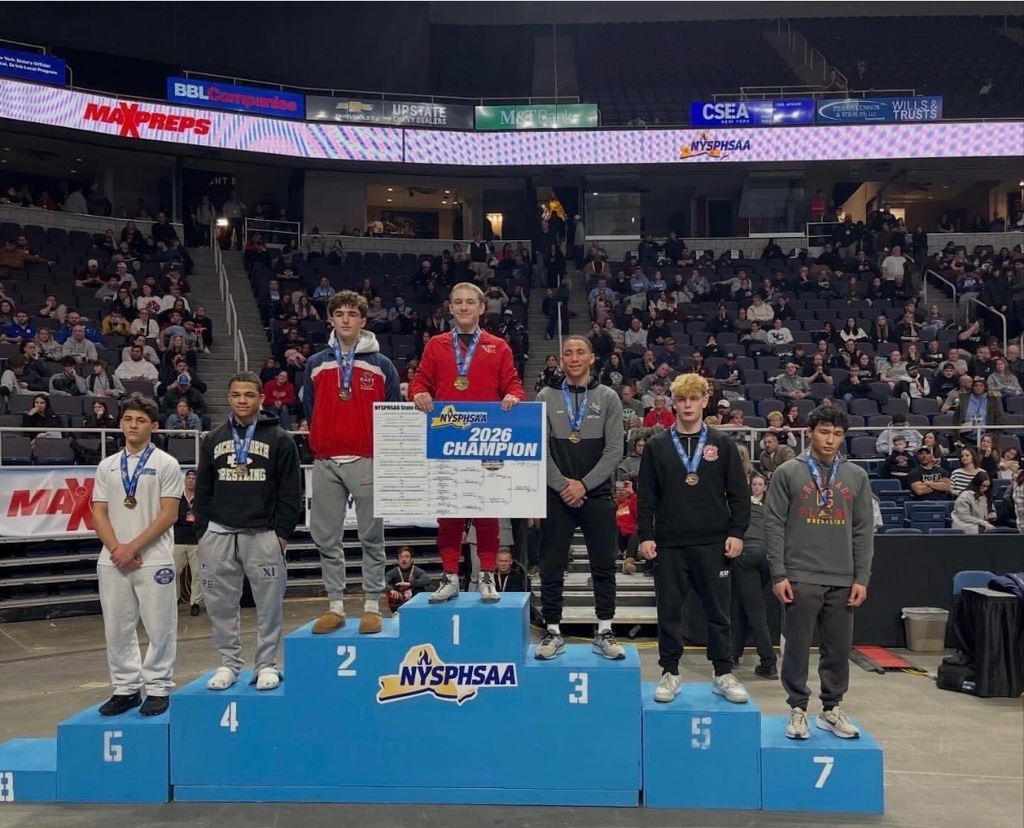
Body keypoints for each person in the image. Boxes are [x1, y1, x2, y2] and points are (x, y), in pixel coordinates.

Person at [409, 282, 527, 604]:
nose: (463, 307)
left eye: (469, 302)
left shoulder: (498, 346)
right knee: (449, 515)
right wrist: (417, 392)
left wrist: (514, 397)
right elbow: (420, 380)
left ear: (480, 308)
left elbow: (514, 385)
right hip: (447, 440)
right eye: (457, 302)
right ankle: (449, 578)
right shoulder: (435, 345)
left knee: (488, 514)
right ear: (450, 307)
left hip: (484, 440)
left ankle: (486, 575)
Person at [637, 373, 751, 704]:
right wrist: (645, 535)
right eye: (682, 399)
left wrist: (737, 532)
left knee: (718, 612)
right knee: (669, 611)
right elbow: (646, 496)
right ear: (674, 403)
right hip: (670, 543)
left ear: (705, 401)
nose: (687, 404)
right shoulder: (658, 445)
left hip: (714, 542)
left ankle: (722, 673)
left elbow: (739, 494)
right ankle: (670, 672)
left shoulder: (723, 444)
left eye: (693, 398)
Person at [765, 405, 874, 741]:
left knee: (838, 649)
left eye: (837, 434)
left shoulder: (856, 476)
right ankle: (798, 708)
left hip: (843, 577)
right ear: (810, 432)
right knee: (797, 647)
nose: (830, 440)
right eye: (824, 432)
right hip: (800, 573)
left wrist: (862, 577)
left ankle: (831, 709)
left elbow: (863, 530)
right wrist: (778, 573)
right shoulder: (788, 472)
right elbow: (774, 524)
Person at [194, 372, 302, 692]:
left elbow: (290, 491)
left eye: (249, 395)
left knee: (269, 605)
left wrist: (281, 533)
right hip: (219, 532)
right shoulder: (213, 438)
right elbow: (203, 488)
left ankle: (266, 664)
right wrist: (203, 529)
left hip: (263, 534)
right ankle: (229, 663)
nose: (242, 400)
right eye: (236, 394)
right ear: (228, 398)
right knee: (220, 604)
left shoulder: (280, 438)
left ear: (260, 399)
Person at [302, 291, 400, 635]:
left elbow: (393, 414)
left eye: (352, 314)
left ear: (363, 320)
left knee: (371, 535)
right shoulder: (315, 364)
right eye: (339, 313)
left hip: (367, 458)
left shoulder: (382, 364)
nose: (345, 319)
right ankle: (336, 606)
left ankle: (372, 604)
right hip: (327, 459)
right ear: (331, 319)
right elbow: (310, 411)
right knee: (326, 537)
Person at [90, 394, 183, 717]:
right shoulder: (107, 466)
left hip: (153, 557)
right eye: (129, 419)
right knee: (117, 627)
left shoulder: (166, 464)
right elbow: (98, 512)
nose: (133, 425)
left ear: (154, 426)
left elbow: (169, 514)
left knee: (160, 626)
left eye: (141, 420)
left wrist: (133, 548)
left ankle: (157, 687)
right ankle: (126, 688)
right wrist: (117, 549)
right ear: (120, 423)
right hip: (112, 559)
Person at [534, 336, 625, 661]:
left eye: (580, 352)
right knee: (551, 566)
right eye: (568, 353)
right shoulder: (545, 396)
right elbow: (539, 450)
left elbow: (615, 450)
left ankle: (604, 629)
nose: (573, 358)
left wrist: (583, 485)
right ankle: (553, 630)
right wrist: (562, 485)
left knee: (604, 565)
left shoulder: (608, 397)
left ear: (591, 358)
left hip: (596, 494)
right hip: (556, 496)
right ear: (561, 359)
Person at [731, 475, 777, 679]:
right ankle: (733, 654)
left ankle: (769, 662)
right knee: (743, 603)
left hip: (746, 555)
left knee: (753, 609)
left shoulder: (738, 507)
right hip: (767, 555)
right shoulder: (768, 509)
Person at [172, 469, 203, 617]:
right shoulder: (178, 497)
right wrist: (185, 517)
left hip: (196, 541)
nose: (191, 480)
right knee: (174, 572)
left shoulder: (201, 498)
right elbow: (172, 517)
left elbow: (203, 516)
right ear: (185, 480)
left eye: (194, 478)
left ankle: (195, 602)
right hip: (178, 540)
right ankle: (175, 599)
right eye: (189, 478)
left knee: (197, 573)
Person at [385, 546, 433, 613]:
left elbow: (427, 579)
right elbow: (383, 581)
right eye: (401, 557)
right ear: (398, 561)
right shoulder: (393, 572)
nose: (403, 559)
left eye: (407, 557)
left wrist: (410, 585)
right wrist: (391, 590)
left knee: (428, 586)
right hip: (398, 600)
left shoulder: (416, 570)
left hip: (414, 599)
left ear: (412, 559)